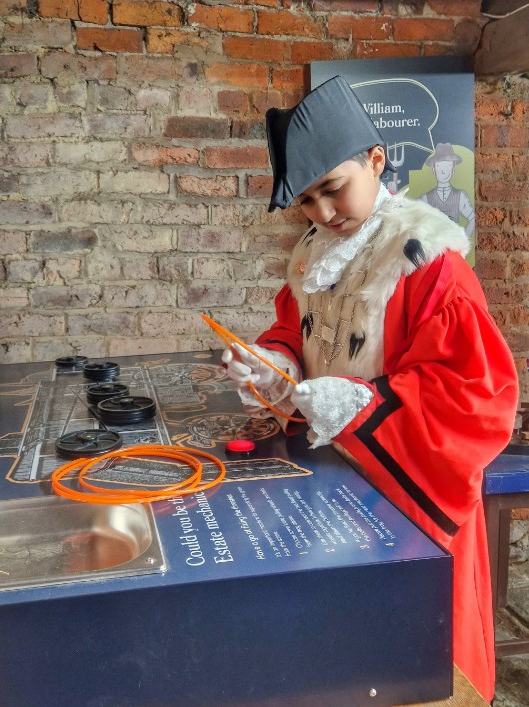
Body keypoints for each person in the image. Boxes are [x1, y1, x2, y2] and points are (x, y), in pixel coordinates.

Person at [222, 76, 518, 703]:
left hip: (405, 496)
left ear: (376, 160)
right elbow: (290, 331)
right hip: (327, 486)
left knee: (410, 671)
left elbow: (476, 396)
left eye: (332, 189)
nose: (323, 215)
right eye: (306, 202)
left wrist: (357, 402)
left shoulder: (428, 261)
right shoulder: (311, 255)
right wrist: (270, 365)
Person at [419, 142, 476, 239]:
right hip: (433, 251)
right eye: (439, 166)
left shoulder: (460, 195)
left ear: (453, 169)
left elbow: (473, 218)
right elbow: (411, 215)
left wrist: (463, 241)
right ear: (434, 170)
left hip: (454, 250)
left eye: (447, 166)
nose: (443, 171)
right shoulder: (426, 198)